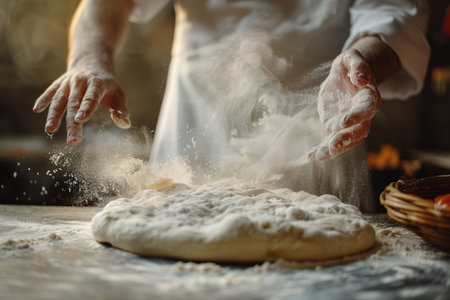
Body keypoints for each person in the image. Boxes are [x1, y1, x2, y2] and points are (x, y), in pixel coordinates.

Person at [32, 0, 430, 212]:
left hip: (322, 125)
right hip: (193, 137)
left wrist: (360, 62)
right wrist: (90, 60)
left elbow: (395, 16)